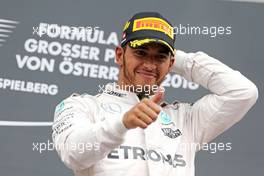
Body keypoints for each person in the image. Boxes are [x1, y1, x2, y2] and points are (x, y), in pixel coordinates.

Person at [52, 12, 258, 176]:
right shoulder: (83, 106)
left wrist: (177, 60)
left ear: (171, 63)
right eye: (140, 53)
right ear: (119, 55)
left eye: (160, 57)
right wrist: (122, 124)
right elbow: (72, 154)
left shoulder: (185, 119)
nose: (149, 65)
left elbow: (242, 92)